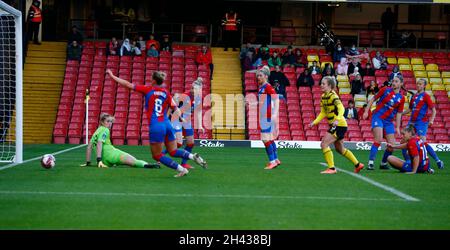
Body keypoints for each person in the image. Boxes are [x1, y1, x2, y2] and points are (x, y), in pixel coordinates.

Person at [106, 69, 207, 177]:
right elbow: (175, 107)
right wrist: (181, 118)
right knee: (173, 150)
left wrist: (112, 76)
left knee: (157, 155)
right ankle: (192, 156)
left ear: (153, 80)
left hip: (157, 126)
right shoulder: (165, 92)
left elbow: (127, 84)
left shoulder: (148, 89)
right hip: (167, 124)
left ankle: (181, 169)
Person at [309, 76, 365, 174]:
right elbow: (323, 113)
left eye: (323, 84)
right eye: (321, 83)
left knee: (324, 144)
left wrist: (337, 119)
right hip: (338, 125)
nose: (321, 85)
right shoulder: (323, 97)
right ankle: (358, 164)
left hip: (339, 124)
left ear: (330, 86)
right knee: (340, 149)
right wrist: (314, 122)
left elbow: (342, 108)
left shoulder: (333, 96)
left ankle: (331, 168)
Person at [80, 113, 159, 169]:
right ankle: (147, 165)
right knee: (134, 161)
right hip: (112, 155)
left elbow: (89, 147)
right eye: (108, 121)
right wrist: (98, 159)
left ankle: (114, 163)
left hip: (105, 161)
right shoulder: (105, 130)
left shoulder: (96, 132)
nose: (110, 123)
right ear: (102, 122)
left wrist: (88, 162)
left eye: (111, 121)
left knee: (126, 162)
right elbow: (100, 143)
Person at [364, 75, 405, 170]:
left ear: (401, 84)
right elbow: (373, 99)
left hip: (388, 122)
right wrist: (366, 111)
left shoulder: (402, 98)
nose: (394, 83)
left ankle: (383, 163)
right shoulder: (385, 89)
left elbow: (399, 113)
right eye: (393, 81)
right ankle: (371, 163)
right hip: (377, 117)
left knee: (392, 145)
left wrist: (398, 127)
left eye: (396, 81)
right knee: (378, 140)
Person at [402, 79, 444, 169]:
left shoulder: (426, 96)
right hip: (412, 122)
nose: (418, 85)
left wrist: (431, 120)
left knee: (423, 142)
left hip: (421, 122)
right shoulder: (413, 97)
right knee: (404, 140)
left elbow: (434, 110)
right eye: (417, 83)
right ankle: (409, 161)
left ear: (424, 86)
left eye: (420, 84)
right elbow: (410, 109)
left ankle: (438, 160)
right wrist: (400, 113)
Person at [170, 78, 205, 169]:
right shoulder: (184, 96)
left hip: (187, 122)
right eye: (193, 88)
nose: (194, 90)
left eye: (197, 89)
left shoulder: (199, 99)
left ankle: (183, 163)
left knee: (190, 143)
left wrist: (200, 125)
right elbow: (173, 106)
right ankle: (161, 156)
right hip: (177, 120)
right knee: (178, 143)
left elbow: (198, 112)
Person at [257, 66, 281, 170]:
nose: (258, 77)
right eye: (258, 75)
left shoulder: (267, 86)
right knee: (269, 139)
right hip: (264, 115)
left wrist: (275, 114)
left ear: (266, 76)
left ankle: (272, 162)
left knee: (265, 139)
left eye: (260, 75)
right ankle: (275, 159)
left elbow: (276, 99)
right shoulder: (262, 87)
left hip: (267, 116)